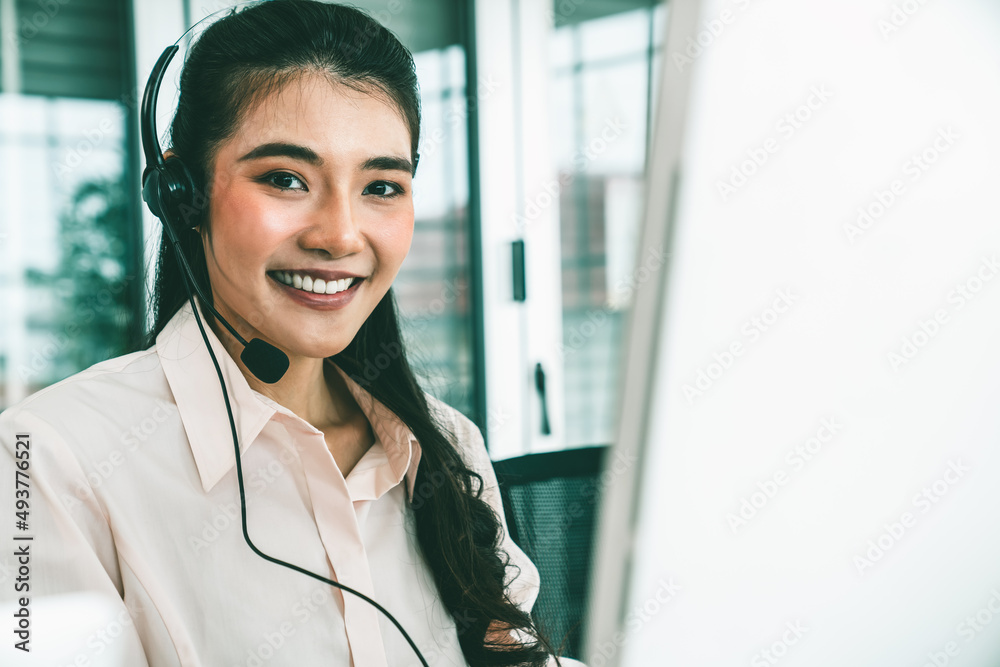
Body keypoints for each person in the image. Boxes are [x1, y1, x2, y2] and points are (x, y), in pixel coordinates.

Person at [0, 1, 586, 665]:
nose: (339, 234)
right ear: (183, 194)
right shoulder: (46, 459)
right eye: (285, 178)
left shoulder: (446, 447)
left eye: (382, 186)